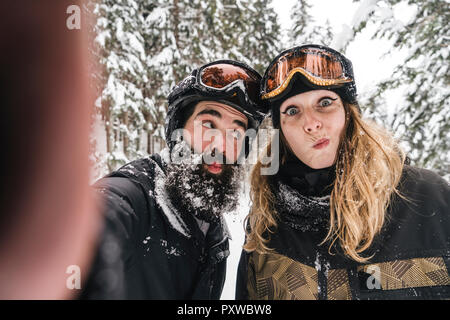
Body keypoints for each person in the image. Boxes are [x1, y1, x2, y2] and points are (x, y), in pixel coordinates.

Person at [236, 44, 450, 300]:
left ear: (349, 113)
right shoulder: (266, 226)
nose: (312, 123)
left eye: (325, 102)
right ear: (281, 132)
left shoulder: (428, 197)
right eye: (292, 111)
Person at [81, 60, 266, 299]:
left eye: (235, 133)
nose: (220, 145)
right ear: (178, 130)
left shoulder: (211, 224)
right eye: (209, 124)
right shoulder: (136, 197)